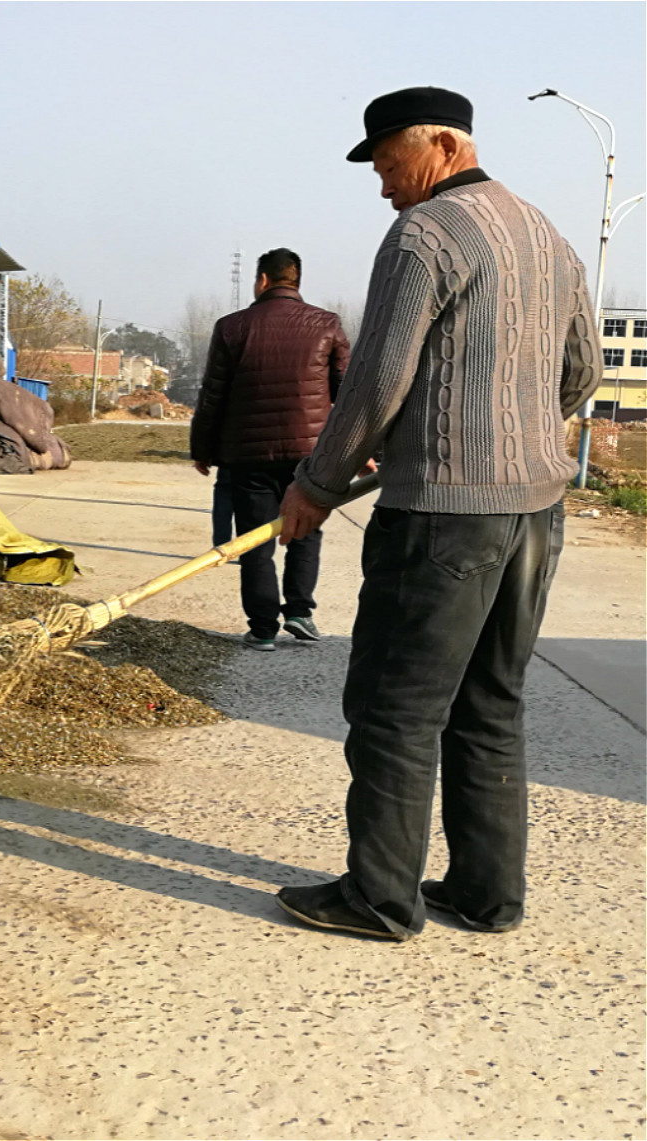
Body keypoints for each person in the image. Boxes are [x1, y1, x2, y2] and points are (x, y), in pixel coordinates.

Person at [275, 87, 600, 941]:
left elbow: (377, 382)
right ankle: (488, 894)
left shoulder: (425, 234)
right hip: (535, 511)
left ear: (445, 145)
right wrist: (518, 430)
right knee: (490, 702)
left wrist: (316, 482)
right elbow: (583, 371)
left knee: (396, 706)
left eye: (389, 165)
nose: (384, 187)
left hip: (444, 517)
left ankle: (380, 897)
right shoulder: (545, 231)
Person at [190, 248, 350, 650]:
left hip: (249, 456)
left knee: (255, 540)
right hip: (309, 455)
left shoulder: (232, 327)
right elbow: (347, 393)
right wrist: (357, 449)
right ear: (296, 281)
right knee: (305, 533)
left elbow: (213, 395)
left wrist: (202, 448)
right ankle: (299, 612)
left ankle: (262, 628)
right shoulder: (326, 325)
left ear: (262, 280)